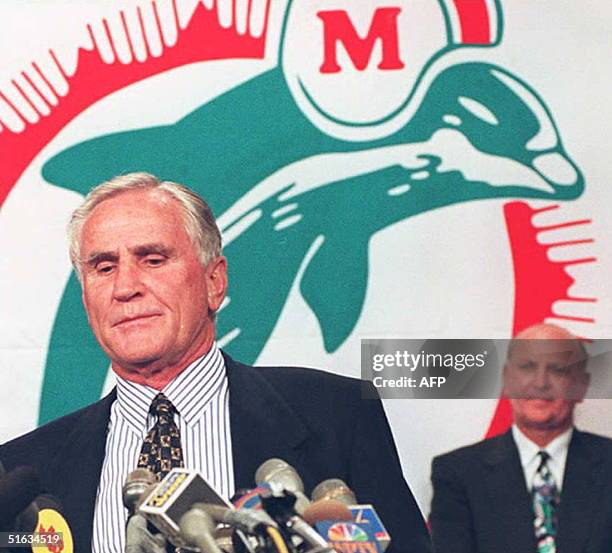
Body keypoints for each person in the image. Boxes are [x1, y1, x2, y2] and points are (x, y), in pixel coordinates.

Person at [0, 173, 431, 553]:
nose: (125, 287)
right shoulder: (25, 474)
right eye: (103, 267)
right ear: (86, 297)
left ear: (214, 282)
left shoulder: (337, 415)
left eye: (152, 259)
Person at [429, 323, 612, 553]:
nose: (540, 382)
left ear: (581, 385)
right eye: (527, 367)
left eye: (557, 369)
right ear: (507, 379)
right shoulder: (458, 473)